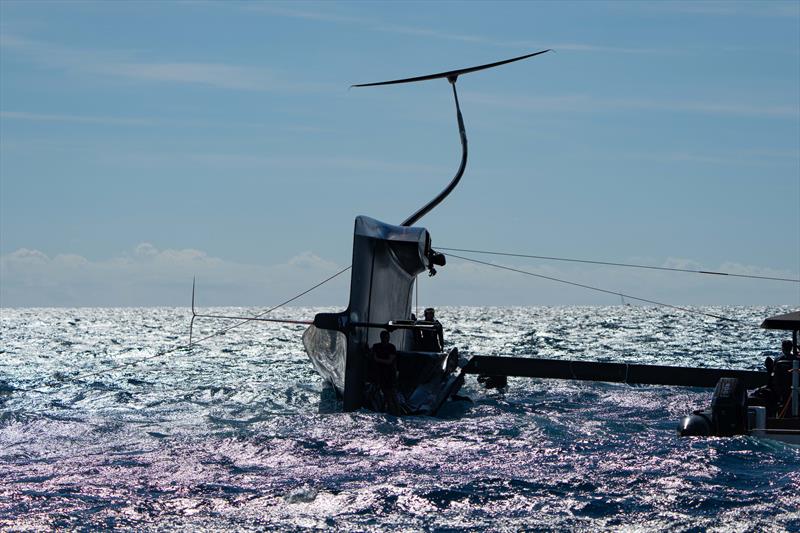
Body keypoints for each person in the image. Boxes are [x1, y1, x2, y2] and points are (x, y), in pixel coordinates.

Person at [371, 330, 400, 414]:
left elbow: (389, 361)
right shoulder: (376, 346)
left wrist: (377, 359)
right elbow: (371, 354)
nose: (386, 339)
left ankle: (396, 412)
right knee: (388, 395)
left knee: (392, 395)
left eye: (387, 337)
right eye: (385, 337)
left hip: (390, 374)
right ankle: (393, 412)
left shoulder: (391, 347)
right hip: (382, 374)